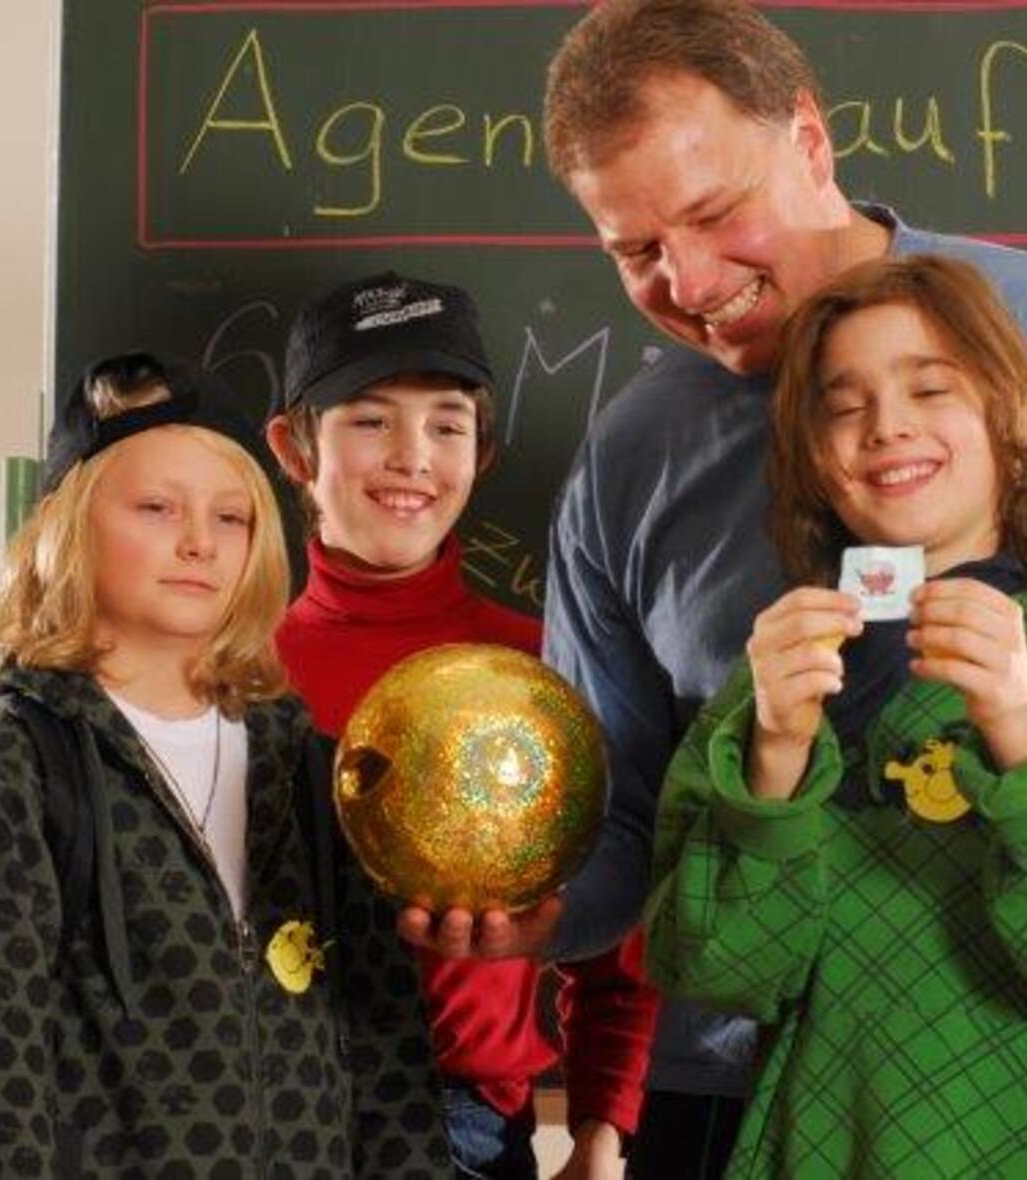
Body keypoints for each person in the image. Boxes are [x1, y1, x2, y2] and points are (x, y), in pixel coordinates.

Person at [397, 0, 1027, 1174]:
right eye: (634, 250)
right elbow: (618, 808)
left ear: (809, 140)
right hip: (728, 1086)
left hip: (982, 1074)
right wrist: (542, 908)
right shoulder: (631, 460)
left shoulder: (1013, 329)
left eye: (714, 213)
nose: (687, 281)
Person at [0, 352, 455, 1179]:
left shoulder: (313, 769)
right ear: (65, 525)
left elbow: (388, 1057)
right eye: (155, 508)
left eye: (231, 519)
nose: (198, 545)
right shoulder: (15, 769)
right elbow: (3, 1070)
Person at [265, 271, 658, 1179]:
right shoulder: (236, 673)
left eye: (446, 424)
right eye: (368, 420)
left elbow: (618, 913)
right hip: (262, 1108)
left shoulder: (545, 673)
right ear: (294, 447)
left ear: (482, 453)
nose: (411, 457)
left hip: (463, 1127)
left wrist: (601, 1124)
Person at [646, 253, 1027, 1176]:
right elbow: (718, 974)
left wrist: (1017, 742)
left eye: (929, 389)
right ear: (814, 460)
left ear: (1006, 417)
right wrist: (776, 753)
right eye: (842, 406)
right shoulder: (777, 675)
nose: (886, 427)